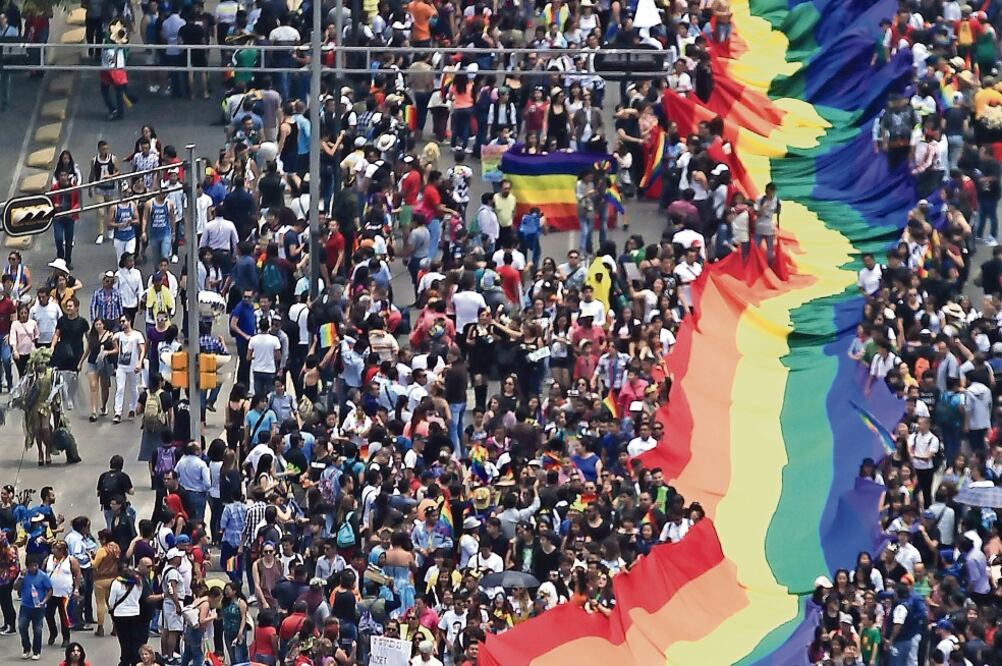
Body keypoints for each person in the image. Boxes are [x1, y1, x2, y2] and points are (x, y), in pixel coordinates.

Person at [18, 557, 52, 660]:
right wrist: (21, 578)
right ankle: (26, 648)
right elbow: (15, 587)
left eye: (35, 565)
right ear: (27, 567)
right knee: (22, 627)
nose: (34, 568)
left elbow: (50, 589)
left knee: (37, 630)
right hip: (26, 606)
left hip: (38, 608)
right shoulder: (24, 575)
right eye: (31, 566)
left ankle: (36, 651)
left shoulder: (43, 576)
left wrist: (44, 601)